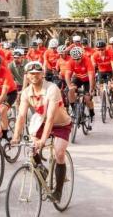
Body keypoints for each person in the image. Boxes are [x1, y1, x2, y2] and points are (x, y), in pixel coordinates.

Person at [12, 60, 71, 199]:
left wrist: (43, 140)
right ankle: (42, 169)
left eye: (37, 73)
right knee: (32, 149)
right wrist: (15, 136)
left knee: (59, 153)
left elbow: (51, 117)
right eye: (31, 74)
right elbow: (21, 116)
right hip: (41, 122)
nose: (34, 76)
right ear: (27, 75)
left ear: (42, 74)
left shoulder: (52, 89)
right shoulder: (26, 92)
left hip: (61, 123)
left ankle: (58, 191)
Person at [62, 47, 96, 125]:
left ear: (81, 56)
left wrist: (91, 88)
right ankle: (74, 110)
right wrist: (69, 85)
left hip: (87, 80)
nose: (76, 61)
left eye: (78, 59)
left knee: (87, 98)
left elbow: (91, 76)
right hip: (78, 78)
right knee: (70, 90)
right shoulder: (71, 61)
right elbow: (67, 75)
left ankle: (92, 113)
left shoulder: (87, 60)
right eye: (75, 59)